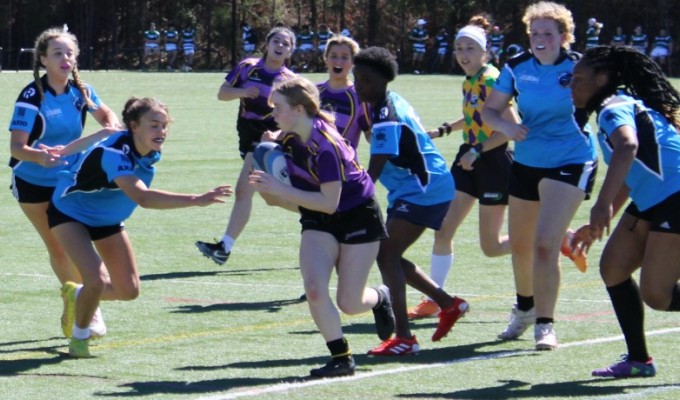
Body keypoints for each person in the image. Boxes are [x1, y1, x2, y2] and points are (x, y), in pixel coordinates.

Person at [50, 97, 232, 358]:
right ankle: (79, 339)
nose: (161, 132)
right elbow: (143, 198)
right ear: (134, 126)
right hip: (69, 212)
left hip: (106, 219)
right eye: (154, 125)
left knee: (129, 290)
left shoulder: (148, 149)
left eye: (164, 126)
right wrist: (196, 199)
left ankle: (76, 295)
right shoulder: (116, 153)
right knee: (97, 280)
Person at [250, 77, 393, 378]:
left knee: (350, 303)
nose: (273, 112)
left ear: (300, 109)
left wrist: (279, 189)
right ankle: (342, 358)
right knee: (314, 290)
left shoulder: (326, 145)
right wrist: (270, 145)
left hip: (356, 213)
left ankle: (380, 297)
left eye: (278, 107)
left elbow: (329, 202)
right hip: (319, 217)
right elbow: (278, 143)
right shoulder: (291, 133)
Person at [481, 1, 598, 350]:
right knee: (520, 245)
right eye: (534, 33)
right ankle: (525, 309)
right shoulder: (517, 67)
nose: (539, 39)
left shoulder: (580, 67)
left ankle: (545, 325)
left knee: (545, 244)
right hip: (528, 160)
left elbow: (608, 99)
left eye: (547, 33)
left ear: (563, 37)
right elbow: (490, 110)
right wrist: (505, 126)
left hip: (570, 158)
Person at [569, 45, 680, 378]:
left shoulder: (611, 107)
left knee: (657, 296)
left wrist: (601, 205)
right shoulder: (617, 106)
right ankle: (638, 360)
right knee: (613, 268)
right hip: (655, 199)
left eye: (578, 79)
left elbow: (628, 146)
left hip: (675, 197)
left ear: (602, 79)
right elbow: (634, 172)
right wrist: (603, 219)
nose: (572, 86)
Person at [353, 46, 469, 356]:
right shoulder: (388, 101)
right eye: (356, 78)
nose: (358, 85)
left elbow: (375, 167)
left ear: (383, 81)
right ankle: (448, 303)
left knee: (386, 254)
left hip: (424, 189)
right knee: (388, 253)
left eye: (365, 80)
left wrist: (349, 198)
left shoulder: (386, 116)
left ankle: (404, 338)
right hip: (417, 187)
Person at [8, 27, 120, 338]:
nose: (65, 58)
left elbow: (108, 117)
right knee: (58, 246)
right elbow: (17, 149)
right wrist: (39, 157)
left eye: (69, 52)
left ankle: (87, 304)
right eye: (57, 53)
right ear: (43, 60)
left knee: (77, 244)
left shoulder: (82, 91)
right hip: (32, 181)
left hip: (67, 182)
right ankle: (78, 299)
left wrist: (110, 126)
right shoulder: (32, 96)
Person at [408, 17, 519, 319]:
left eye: (470, 48)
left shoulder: (492, 79)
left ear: (485, 52)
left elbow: (511, 127)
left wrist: (479, 150)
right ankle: (437, 299)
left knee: (493, 246)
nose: (463, 54)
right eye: (459, 48)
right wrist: (442, 130)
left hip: (493, 162)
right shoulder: (470, 80)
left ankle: (554, 237)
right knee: (443, 229)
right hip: (468, 158)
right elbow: (474, 119)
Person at [195, 27, 297, 265]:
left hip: (266, 142)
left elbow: (298, 117)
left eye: (286, 43)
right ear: (268, 43)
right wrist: (243, 91)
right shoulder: (247, 67)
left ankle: (224, 248)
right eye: (276, 41)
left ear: (290, 50)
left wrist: (277, 135)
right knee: (270, 197)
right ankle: (322, 214)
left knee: (244, 190)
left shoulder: (290, 81)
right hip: (246, 137)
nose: (280, 46)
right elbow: (222, 94)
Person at [317, 35, 371, 150]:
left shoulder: (360, 96)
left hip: (343, 166)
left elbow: (370, 134)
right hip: (310, 165)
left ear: (353, 62)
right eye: (334, 56)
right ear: (326, 59)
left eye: (345, 57)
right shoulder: (313, 91)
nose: (338, 62)